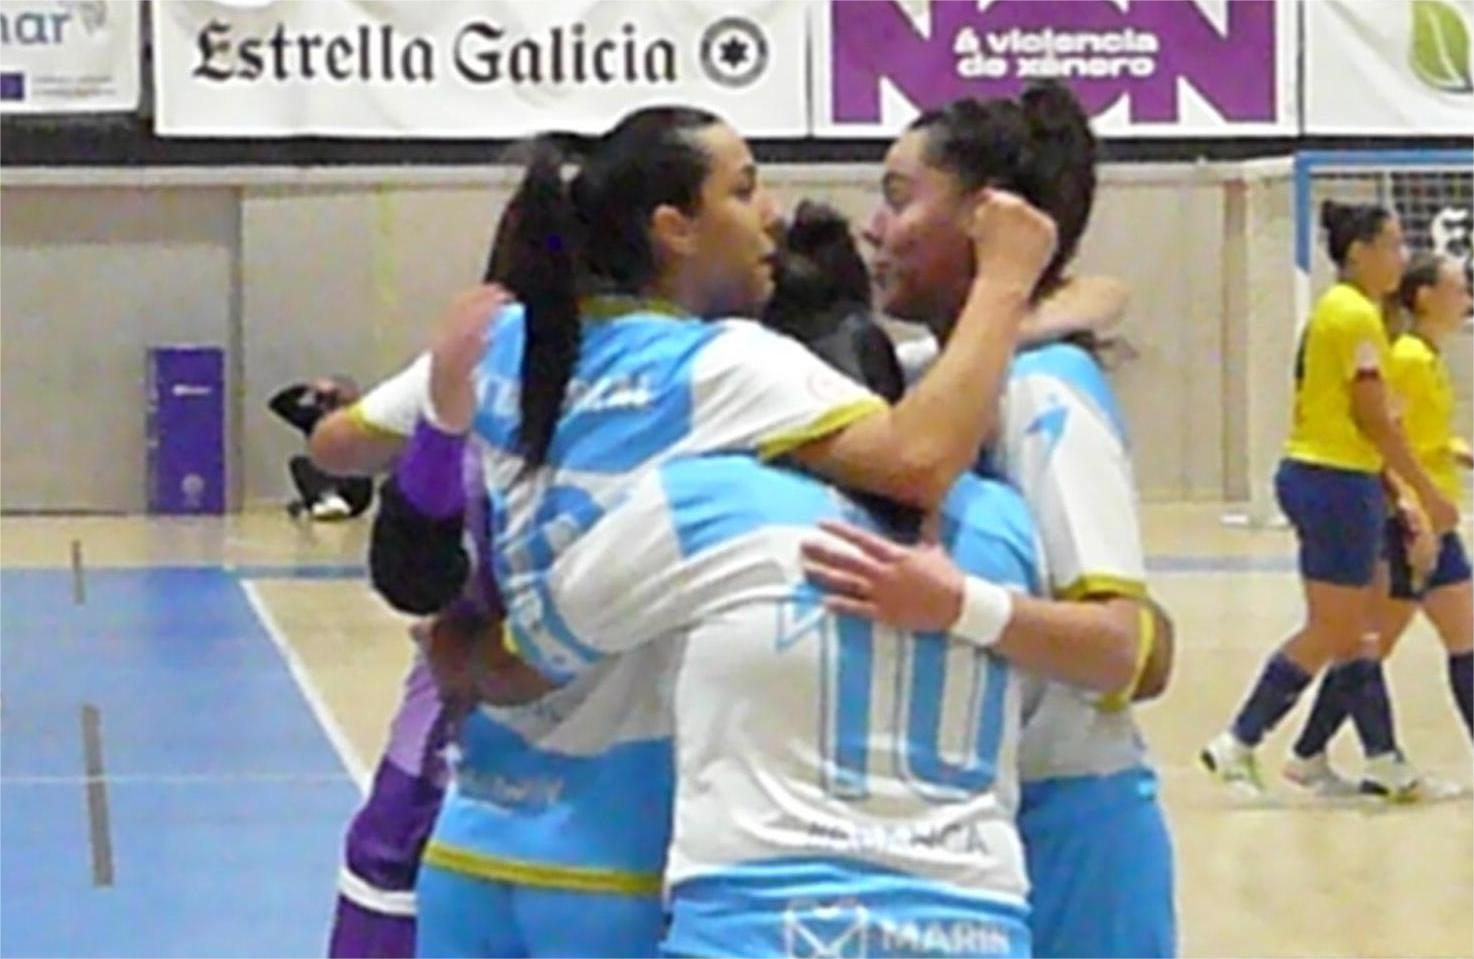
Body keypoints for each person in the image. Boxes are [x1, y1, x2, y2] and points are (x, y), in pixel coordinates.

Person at [348, 104, 1058, 958]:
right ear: (673, 227)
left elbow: (340, 443)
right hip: (615, 851)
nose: (771, 216)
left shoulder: (506, 337)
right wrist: (1008, 283)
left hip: (474, 835)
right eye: (745, 189)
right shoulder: (718, 368)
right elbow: (920, 457)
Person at [816, 82, 1177, 958]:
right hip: (975, 820)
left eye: (899, 197)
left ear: (987, 220)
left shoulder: (1046, 392)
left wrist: (962, 606)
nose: (873, 228)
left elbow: (1126, 650)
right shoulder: (935, 379)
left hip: (1073, 823)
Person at [1201, 201, 1460, 801]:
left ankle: (1379, 758)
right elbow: (1374, 420)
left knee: (1359, 630)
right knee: (1334, 627)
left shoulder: (1352, 312)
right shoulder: (1353, 316)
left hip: (1345, 478)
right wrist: (1425, 494)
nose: (1400, 258)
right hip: (1332, 479)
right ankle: (1238, 740)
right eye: (1391, 245)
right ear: (1359, 252)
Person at [1284, 252, 1473, 789]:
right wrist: (1410, 505)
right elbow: (1385, 436)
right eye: (1458, 289)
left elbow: (1419, 434)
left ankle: (1313, 753)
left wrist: (1455, 451)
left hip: (1434, 517)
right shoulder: (1407, 357)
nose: (1467, 300)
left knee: (1458, 635)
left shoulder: (1426, 357)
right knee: (1368, 642)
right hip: (1412, 521)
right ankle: (1311, 751)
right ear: (1425, 297)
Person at [268, 377, 373, 520]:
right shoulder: (315, 418)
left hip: (354, 492)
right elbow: (279, 404)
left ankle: (330, 501)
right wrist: (307, 387)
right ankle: (324, 500)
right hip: (326, 485)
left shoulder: (360, 418)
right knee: (300, 463)